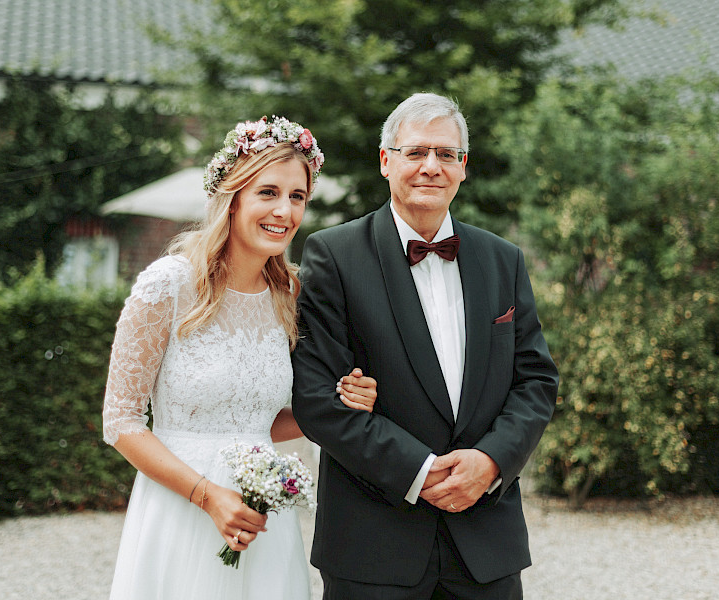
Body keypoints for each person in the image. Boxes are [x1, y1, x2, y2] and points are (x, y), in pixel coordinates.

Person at [291, 93, 559, 599]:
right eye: (415, 152)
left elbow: (536, 380)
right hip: (373, 545)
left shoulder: (504, 259)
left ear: (463, 168)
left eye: (446, 154)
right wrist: (420, 471)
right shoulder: (333, 256)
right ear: (386, 160)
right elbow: (318, 398)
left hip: (486, 544)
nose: (431, 167)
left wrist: (492, 462)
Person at [101, 116, 378, 600]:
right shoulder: (168, 284)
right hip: (180, 509)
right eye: (268, 192)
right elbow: (120, 421)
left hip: (262, 517)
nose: (284, 211)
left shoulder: (290, 294)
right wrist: (207, 497)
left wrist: (339, 402)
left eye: (297, 197)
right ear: (233, 198)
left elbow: (258, 421)